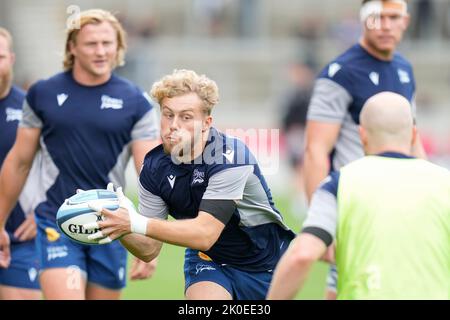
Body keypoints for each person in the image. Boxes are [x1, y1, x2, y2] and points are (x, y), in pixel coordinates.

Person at [84, 69, 296, 300]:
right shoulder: (153, 167)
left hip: (266, 264)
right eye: (168, 115)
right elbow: (148, 248)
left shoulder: (230, 156)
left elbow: (205, 233)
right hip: (209, 258)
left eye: (186, 117)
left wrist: (136, 222)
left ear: (206, 123)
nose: (174, 125)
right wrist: (117, 222)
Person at [0, 9, 160, 300]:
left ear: (118, 46)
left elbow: (149, 175)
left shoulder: (137, 102)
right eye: (91, 44)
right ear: (72, 47)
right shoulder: (43, 94)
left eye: (107, 43)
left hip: (112, 225)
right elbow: (19, 162)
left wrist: (147, 235)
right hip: (56, 220)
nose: (101, 51)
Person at [268, 92, 450, 300]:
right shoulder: (445, 182)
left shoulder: (339, 183)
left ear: (362, 134)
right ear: (414, 135)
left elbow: (303, 254)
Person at [303, 0, 427, 299]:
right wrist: (320, 223)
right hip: (357, 208)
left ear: (406, 21)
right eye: (377, 17)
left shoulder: (403, 68)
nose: (385, 25)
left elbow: (411, 136)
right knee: (350, 287)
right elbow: (315, 150)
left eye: (393, 17)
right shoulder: (339, 73)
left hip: (399, 206)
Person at [0, 27, 42, 300]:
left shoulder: (32, 109)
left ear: (12, 59)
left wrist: (43, 212)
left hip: (19, 241)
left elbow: (59, 167)